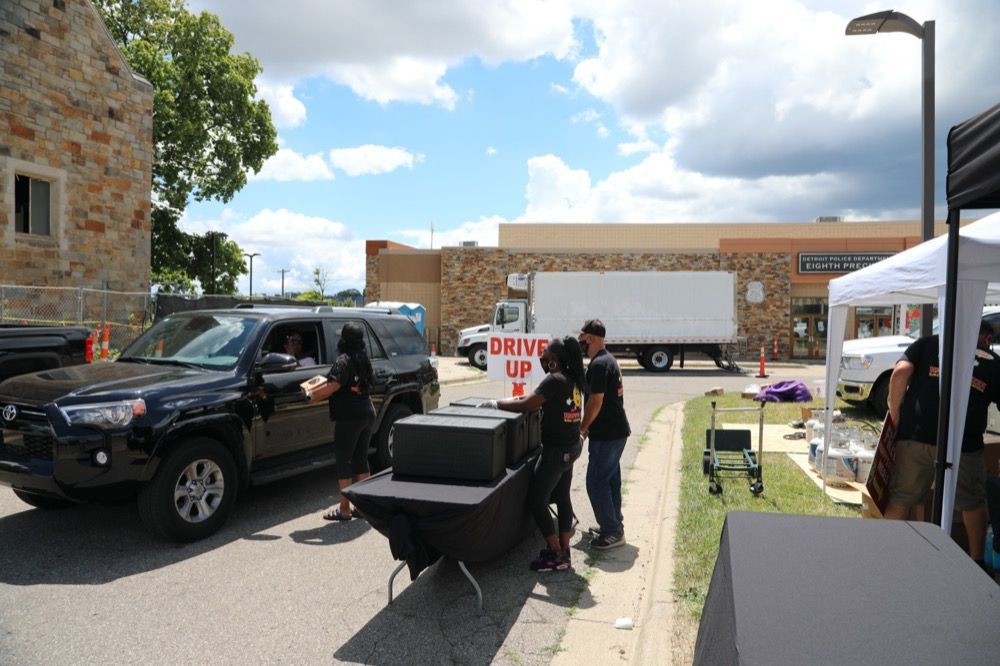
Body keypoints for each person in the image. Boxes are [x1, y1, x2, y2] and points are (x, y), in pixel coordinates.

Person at [884, 319, 1000, 567]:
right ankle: (977, 561)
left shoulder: (928, 343)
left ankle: (884, 555)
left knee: (902, 497)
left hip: (916, 436)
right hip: (964, 443)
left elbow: (900, 372)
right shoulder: (994, 364)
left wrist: (894, 412)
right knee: (972, 503)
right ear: (984, 339)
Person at [481, 336, 586, 571]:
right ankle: (565, 550)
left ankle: (557, 555)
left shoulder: (554, 380)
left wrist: (495, 404)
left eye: (545, 354)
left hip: (557, 451)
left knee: (537, 500)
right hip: (571, 448)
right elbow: (537, 399)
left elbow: (528, 404)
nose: (542, 357)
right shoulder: (573, 378)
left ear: (554, 360)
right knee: (563, 496)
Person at [577, 319, 631, 550]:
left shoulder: (599, 364)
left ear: (590, 338)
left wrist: (582, 429)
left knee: (596, 482)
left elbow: (595, 402)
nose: (580, 345)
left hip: (608, 435)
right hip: (615, 432)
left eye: (582, 340)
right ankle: (613, 524)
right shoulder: (608, 360)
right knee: (610, 481)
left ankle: (612, 532)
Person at [320, 322, 376, 521]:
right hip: (367, 413)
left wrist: (312, 393)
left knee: (344, 460)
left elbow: (333, 384)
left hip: (349, 417)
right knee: (361, 460)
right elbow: (371, 383)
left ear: (344, 339)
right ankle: (363, 508)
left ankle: (344, 509)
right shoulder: (364, 359)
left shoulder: (343, 360)